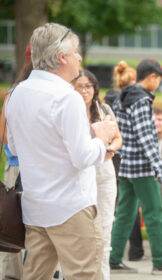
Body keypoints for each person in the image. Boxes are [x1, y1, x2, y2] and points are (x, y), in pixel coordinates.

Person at [5, 23, 117, 279]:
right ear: (61, 57)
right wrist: (101, 137)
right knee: (84, 275)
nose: (80, 57)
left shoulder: (17, 93)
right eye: (76, 52)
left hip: (36, 206)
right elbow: (83, 157)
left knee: (35, 275)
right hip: (71, 207)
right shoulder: (67, 97)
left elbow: (12, 147)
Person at [109, 58, 162, 275]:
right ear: (151, 77)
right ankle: (160, 263)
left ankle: (114, 259)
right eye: (159, 80)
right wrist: (158, 167)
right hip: (142, 168)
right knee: (153, 214)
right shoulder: (141, 100)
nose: (158, 84)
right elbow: (146, 138)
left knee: (124, 213)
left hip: (125, 166)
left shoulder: (123, 96)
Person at [72, 69, 122, 280]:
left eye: (88, 86)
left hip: (104, 173)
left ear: (95, 89)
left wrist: (110, 149)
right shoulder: (69, 111)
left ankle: (103, 276)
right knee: (78, 231)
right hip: (80, 174)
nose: (84, 91)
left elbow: (118, 138)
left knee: (104, 229)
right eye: (80, 86)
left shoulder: (103, 109)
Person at [0, 42, 32, 280]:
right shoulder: (17, 92)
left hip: (39, 169)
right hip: (18, 167)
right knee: (12, 230)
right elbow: (3, 134)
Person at [109, 60, 146, 262]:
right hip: (127, 158)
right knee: (130, 206)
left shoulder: (109, 101)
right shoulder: (134, 101)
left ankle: (115, 253)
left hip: (112, 156)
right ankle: (135, 250)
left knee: (120, 207)